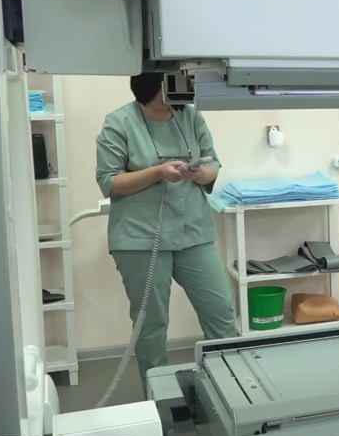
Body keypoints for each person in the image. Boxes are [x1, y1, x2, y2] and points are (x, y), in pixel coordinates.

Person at [96, 72, 236, 389]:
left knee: (221, 313)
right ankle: (160, 396)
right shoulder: (119, 122)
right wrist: (158, 172)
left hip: (194, 232)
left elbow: (213, 164)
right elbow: (109, 182)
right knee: (151, 325)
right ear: (149, 85)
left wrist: (200, 173)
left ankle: (229, 387)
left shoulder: (191, 116)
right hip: (140, 238)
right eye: (170, 83)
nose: (180, 90)